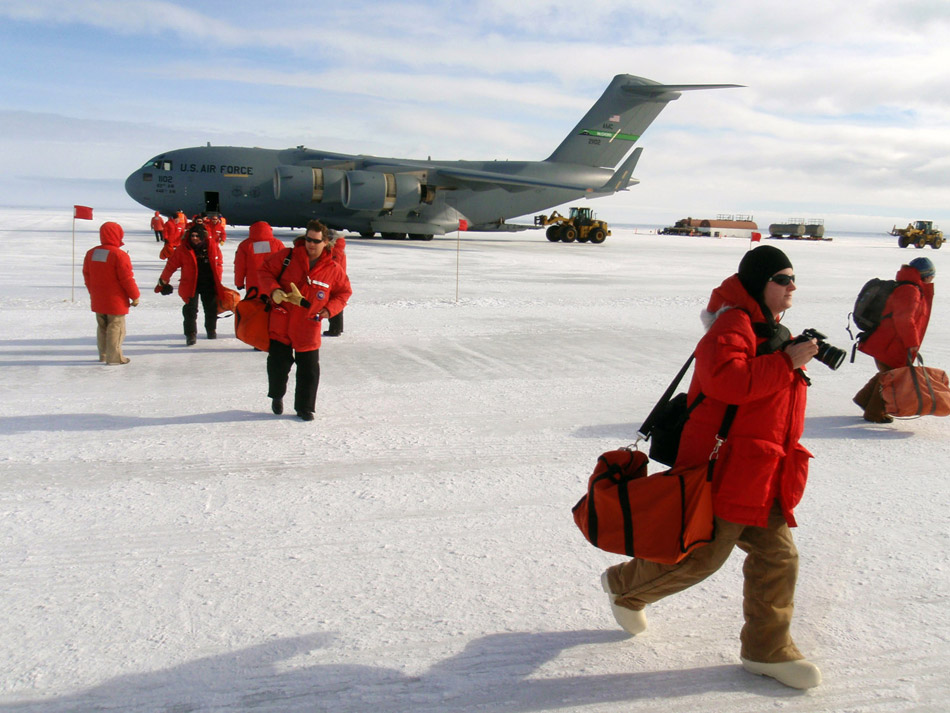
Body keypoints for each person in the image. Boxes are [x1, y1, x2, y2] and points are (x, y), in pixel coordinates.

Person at [600, 245, 823, 690]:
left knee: (779, 558)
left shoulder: (767, 326)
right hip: (728, 468)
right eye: (782, 279)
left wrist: (789, 356)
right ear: (760, 282)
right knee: (701, 558)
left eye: (793, 278)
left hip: (763, 470)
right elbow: (728, 382)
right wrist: (785, 363)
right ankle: (625, 585)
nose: (791, 286)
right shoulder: (732, 324)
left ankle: (767, 650)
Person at [257, 219, 351, 421]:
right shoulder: (287, 257)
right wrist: (274, 290)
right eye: (308, 239)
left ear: (325, 242)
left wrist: (329, 310)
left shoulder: (333, 269)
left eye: (316, 241)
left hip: (309, 325)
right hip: (281, 321)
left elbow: (343, 293)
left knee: (309, 370)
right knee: (278, 367)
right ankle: (277, 395)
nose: (311, 244)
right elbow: (264, 272)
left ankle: (305, 408)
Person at [853, 257, 935, 423]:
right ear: (926, 275)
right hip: (890, 343)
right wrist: (912, 343)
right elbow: (904, 319)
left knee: (888, 373)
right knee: (892, 377)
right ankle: (874, 413)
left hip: (888, 341)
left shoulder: (911, 287)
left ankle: (864, 399)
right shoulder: (911, 290)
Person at [82, 221, 140, 365]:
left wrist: (93, 292)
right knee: (116, 327)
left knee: (102, 327)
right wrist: (135, 295)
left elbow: (87, 275)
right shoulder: (119, 255)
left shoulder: (91, 253)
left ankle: (103, 354)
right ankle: (114, 358)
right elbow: (127, 279)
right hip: (116, 299)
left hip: (98, 297)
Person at [155, 223, 224, 345]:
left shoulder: (212, 246)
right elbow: (170, 266)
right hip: (190, 284)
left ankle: (211, 330)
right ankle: (190, 334)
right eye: (192, 235)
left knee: (211, 309)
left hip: (208, 282)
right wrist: (163, 282)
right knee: (190, 310)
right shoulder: (183, 249)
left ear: (203, 237)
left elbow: (219, 263)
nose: (194, 238)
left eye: (197, 236)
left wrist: (218, 276)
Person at [234, 220, 283, 295]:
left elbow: (240, 266)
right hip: (274, 284)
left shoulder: (245, 245)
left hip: (253, 285)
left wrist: (239, 283)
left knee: (255, 305)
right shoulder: (277, 244)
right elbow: (286, 264)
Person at [323, 231, 347, 337]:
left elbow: (333, 265)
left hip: (334, 279)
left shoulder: (334, 250)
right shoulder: (340, 248)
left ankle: (335, 329)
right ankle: (338, 328)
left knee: (333, 303)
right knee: (337, 303)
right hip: (339, 278)